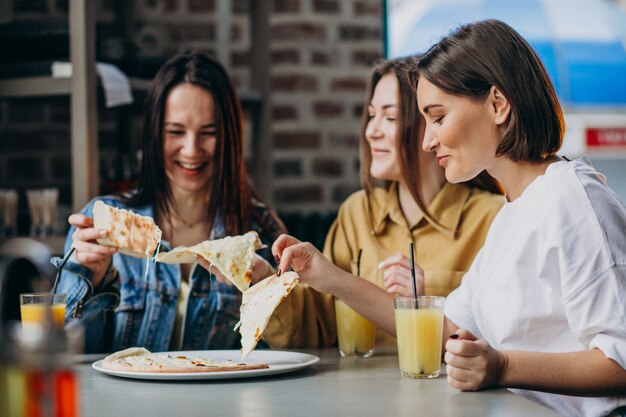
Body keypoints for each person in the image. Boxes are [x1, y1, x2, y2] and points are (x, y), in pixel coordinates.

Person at [271, 20, 626, 417]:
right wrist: (328, 276)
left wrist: (503, 366)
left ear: (497, 104)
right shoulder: (514, 212)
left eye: (438, 117)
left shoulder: (573, 199)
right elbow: (444, 327)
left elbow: (620, 361)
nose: (426, 140)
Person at [262, 57, 503, 349]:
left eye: (389, 117)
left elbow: (499, 339)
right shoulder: (356, 213)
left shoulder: (491, 218)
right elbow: (316, 326)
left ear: (431, 124)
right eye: (371, 115)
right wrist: (262, 280)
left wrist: (425, 298)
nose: (370, 131)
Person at [53, 52, 285, 353]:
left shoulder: (260, 233)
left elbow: (284, 350)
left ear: (230, 137)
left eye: (209, 133)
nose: (191, 150)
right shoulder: (100, 228)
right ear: (154, 134)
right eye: (176, 131)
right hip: (124, 401)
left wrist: (266, 286)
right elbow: (61, 352)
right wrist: (92, 280)